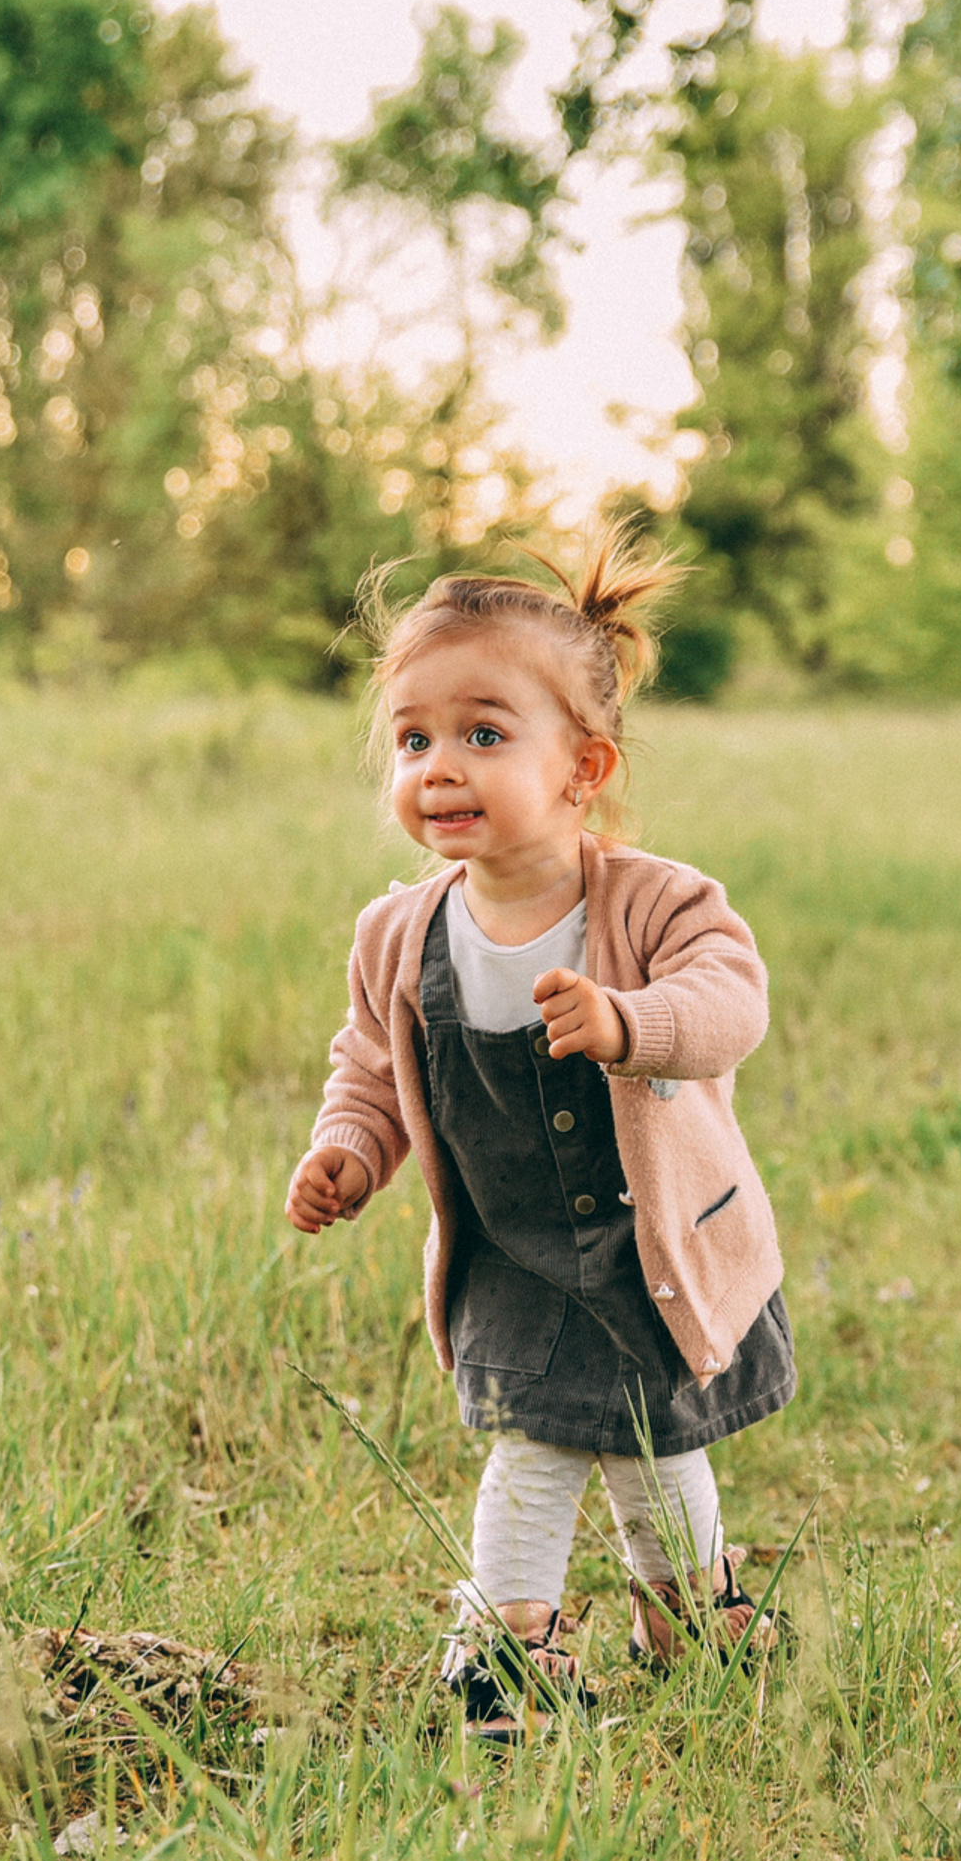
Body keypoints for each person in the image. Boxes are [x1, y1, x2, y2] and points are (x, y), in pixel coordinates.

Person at [284, 527, 796, 1745]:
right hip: (514, 1256)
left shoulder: (655, 902)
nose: (438, 765)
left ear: (583, 766)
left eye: (483, 733)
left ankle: (685, 1611)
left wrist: (631, 1022)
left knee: (655, 1439)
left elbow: (732, 1006)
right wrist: (351, 1148)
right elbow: (369, 1062)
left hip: (650, 1242)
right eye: (413, 739)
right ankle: (502, 1651)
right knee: (535, 1449)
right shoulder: (400, 933)